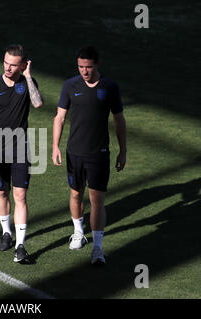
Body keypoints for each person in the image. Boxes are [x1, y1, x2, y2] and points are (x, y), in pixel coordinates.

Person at [52, 46, 127, 265]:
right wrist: (55, 146)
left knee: (97, 200)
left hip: (99, 153)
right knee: (76, 194)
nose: (84, 71)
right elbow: (59, 118)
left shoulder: (110, 87)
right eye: (80, 67)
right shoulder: (70, 85)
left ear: (97, 65)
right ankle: (78, 232)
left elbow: (119, 120)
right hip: (74, 152)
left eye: (88, 67)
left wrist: (123, 150)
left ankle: (97, 247)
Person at [0, 44, 43, 263]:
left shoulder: (27, 83)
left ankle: (21, 246)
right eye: (6, 62)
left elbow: (38, 103)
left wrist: (29, 76)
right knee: (2, 192)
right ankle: (7, 233)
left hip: (21, 148)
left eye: (14, 65)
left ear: (23, 65)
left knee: (20, 195)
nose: (8, 68)